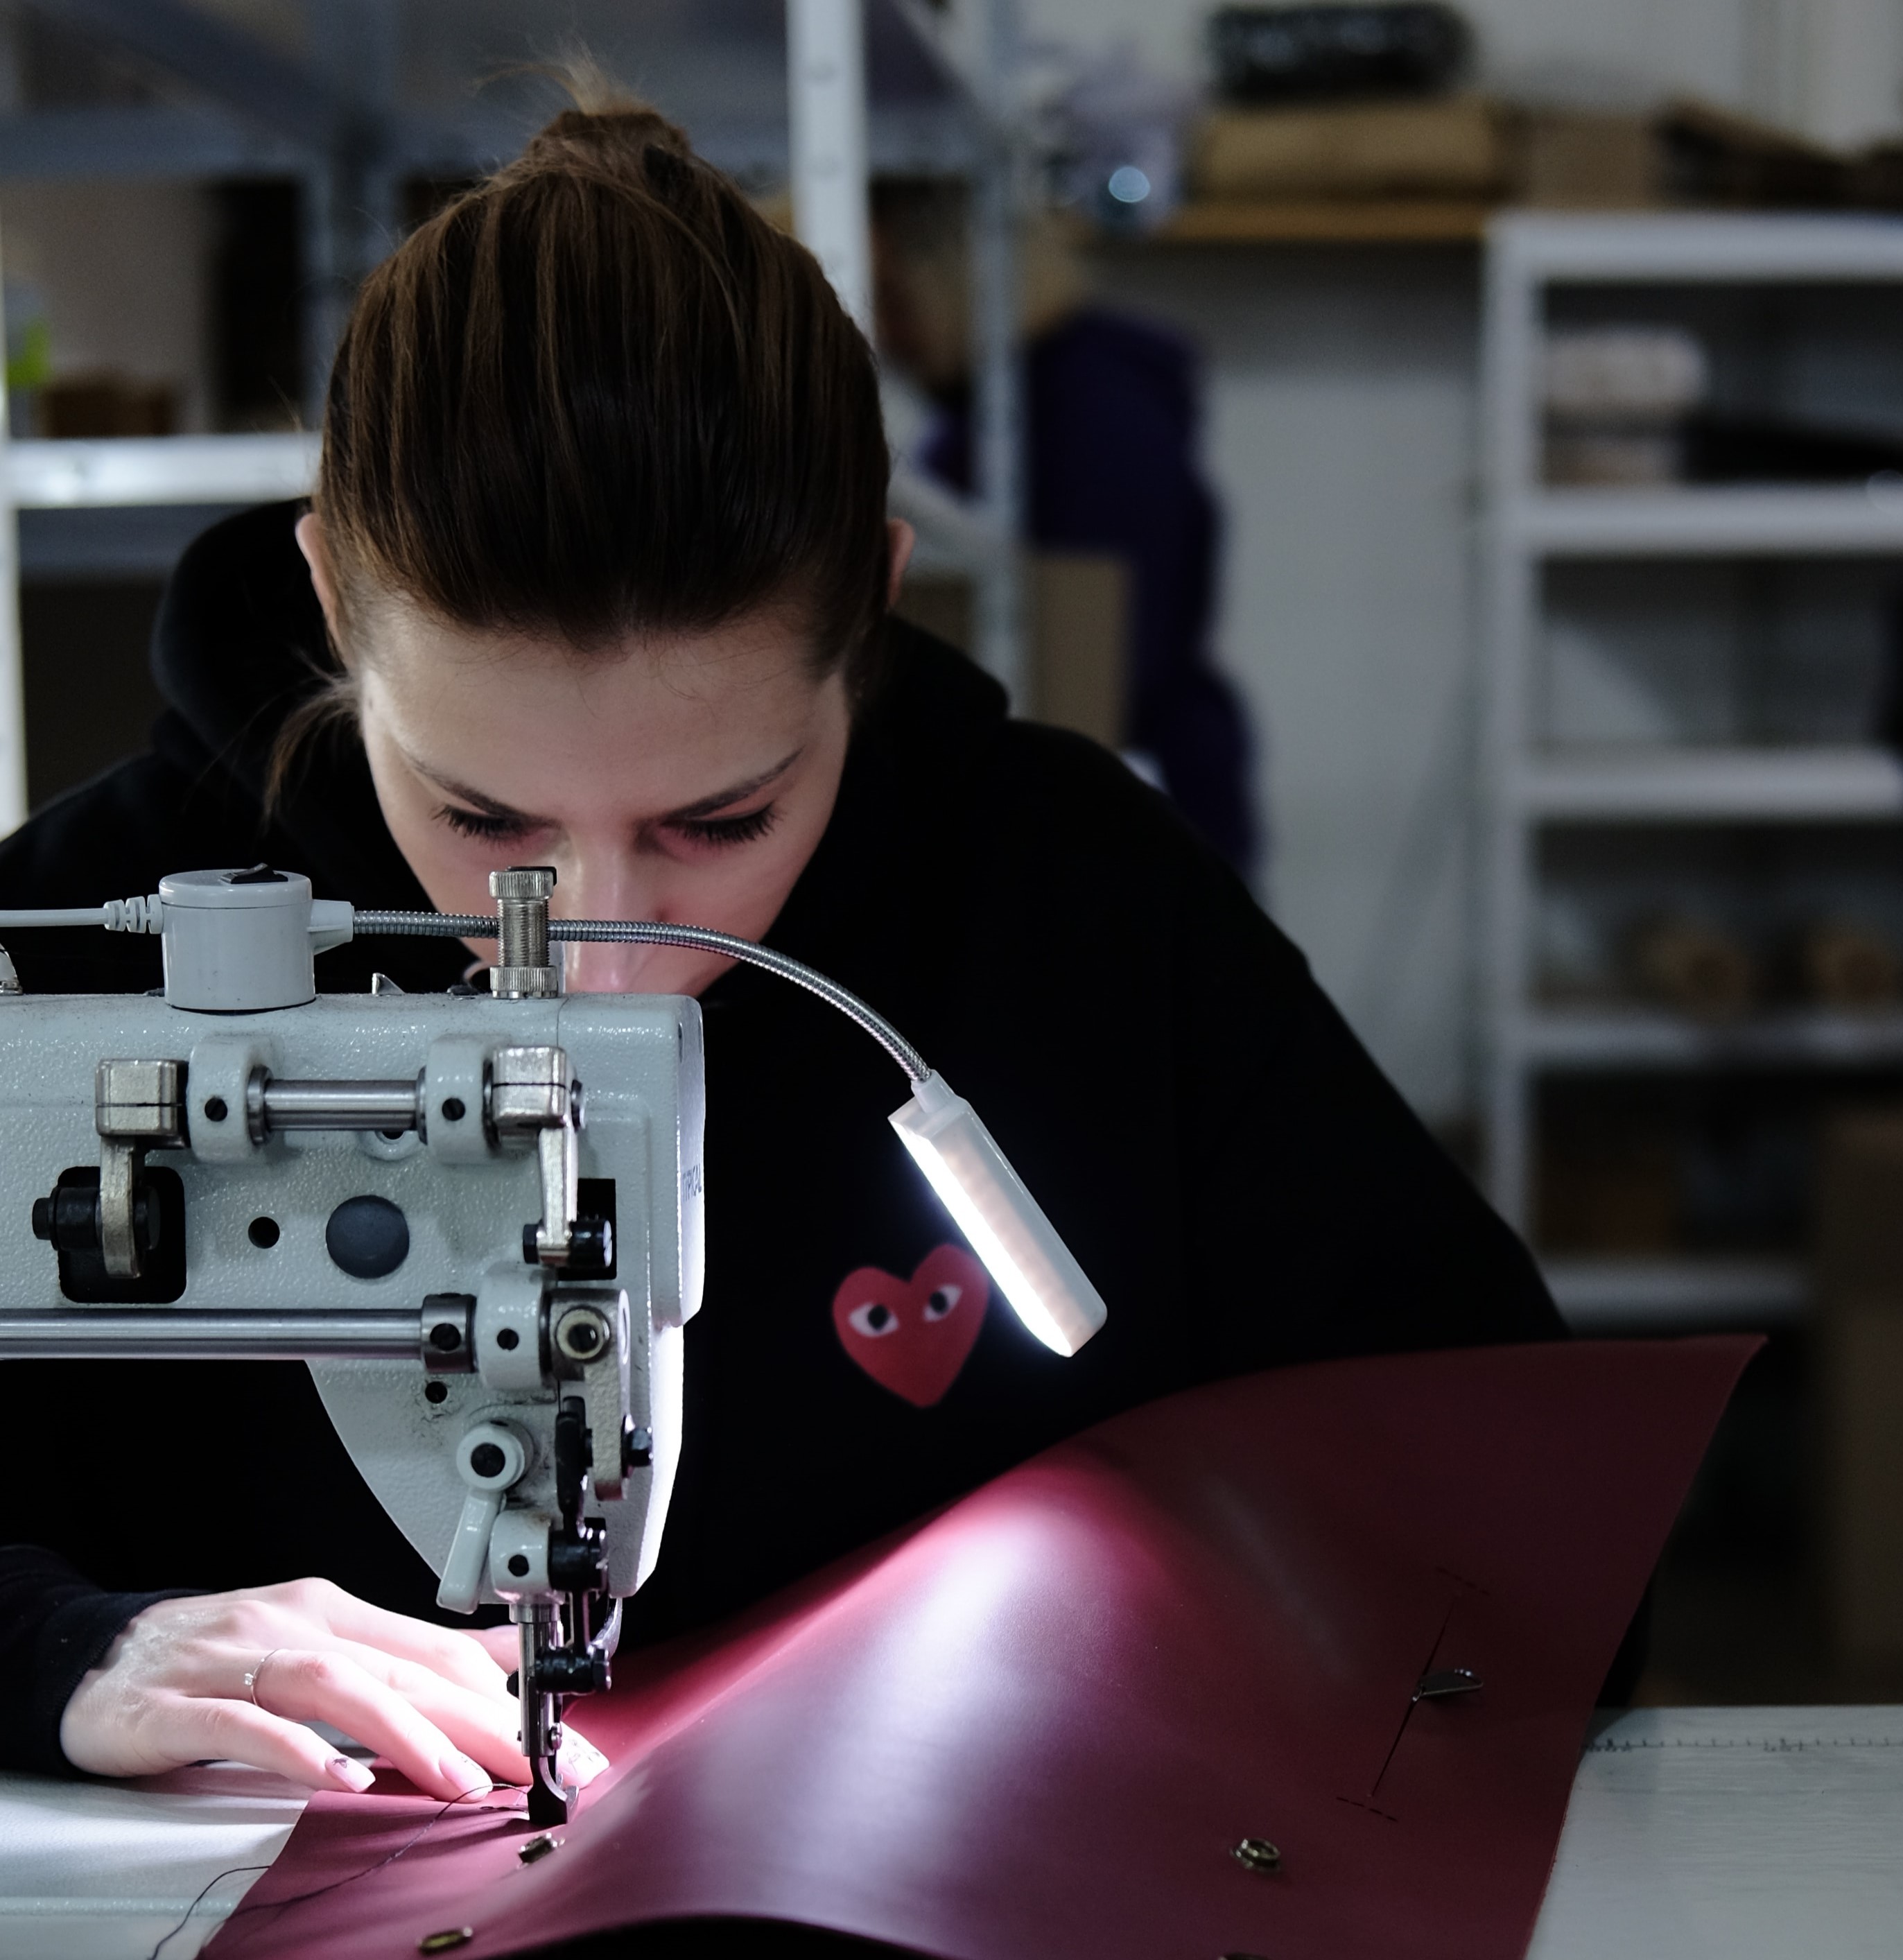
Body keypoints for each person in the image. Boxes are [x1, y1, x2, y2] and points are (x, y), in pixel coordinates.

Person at [0, 96, 1562, 1805]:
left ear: (873, 609)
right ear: (327, 596)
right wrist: (52, 1645)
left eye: (717, 822)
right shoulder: (85, 930)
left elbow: (1515, 1530)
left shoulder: (1077, 907)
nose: (602, 956)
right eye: (484, 819)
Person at [870, 182, 1260, 876]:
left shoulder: (1096, 420)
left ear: (956, 285)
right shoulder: (1001, 414)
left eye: (895, 303)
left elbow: (1104, 661)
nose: (885, 337)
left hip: (1144, 810)